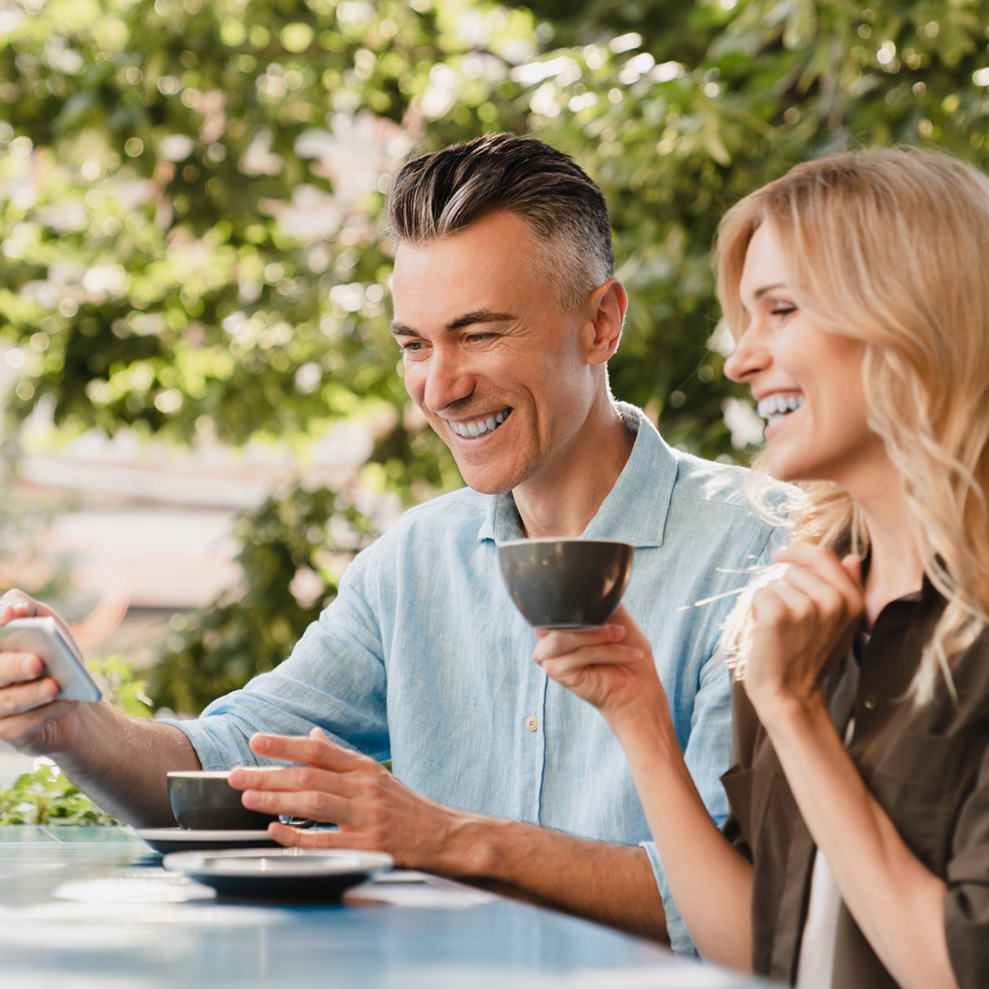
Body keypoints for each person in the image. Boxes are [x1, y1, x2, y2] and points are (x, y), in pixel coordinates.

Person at [0, 133, 782, 946]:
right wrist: (73, 729)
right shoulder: (413, 561)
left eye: (479, 334)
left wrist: (445, 840)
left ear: (601, 322)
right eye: (414, 343)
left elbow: (739, 904)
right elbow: (234, 769)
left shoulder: (759, 549)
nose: (439, 387)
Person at [533, 146, 989, 988]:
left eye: (780, 311)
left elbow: (958, 967)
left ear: (913, 316)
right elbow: (758, 947)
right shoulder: (798, 610)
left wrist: (797, 713)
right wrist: (640, 721)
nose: (740, 359)